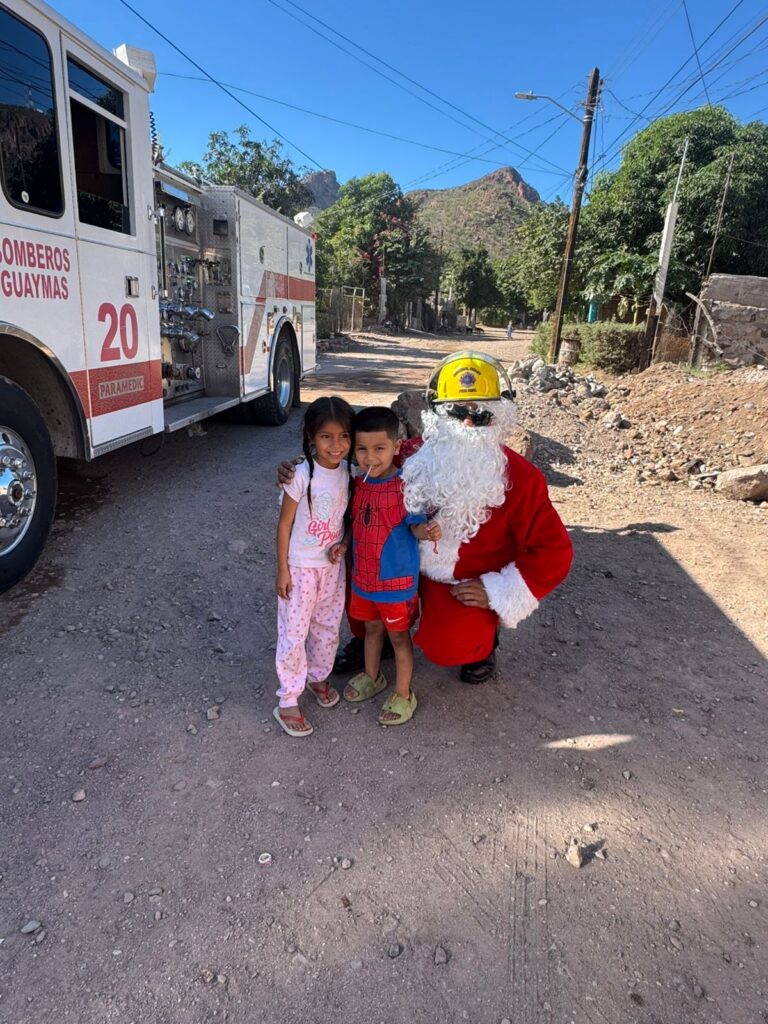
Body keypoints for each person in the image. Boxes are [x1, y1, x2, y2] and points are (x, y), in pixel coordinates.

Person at [342, 407, 441, 726]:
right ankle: (373, 676)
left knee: (399, 638)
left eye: (379, 448)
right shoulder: (358, 482)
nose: (370, 457)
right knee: (371, 630)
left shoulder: (406, 486)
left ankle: (403, 691)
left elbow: (415, 527)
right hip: (364, 580)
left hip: (396, 584)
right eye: (362, 449)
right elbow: (356, 523)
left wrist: (428, 530)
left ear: (397, 446)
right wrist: (344, 543)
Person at [273, 396, 354, 737]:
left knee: (327, 627)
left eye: (343, 437)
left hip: (332, 570)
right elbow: (284, 526)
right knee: (294, 633)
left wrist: (344, 543)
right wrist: (282, 570)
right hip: (301, 569)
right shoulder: (300, 476)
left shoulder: (351, 472)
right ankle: (288, 698)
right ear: (310, 436)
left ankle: (318, 676)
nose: (336, 445)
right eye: (326, 437)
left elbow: (345, 519)